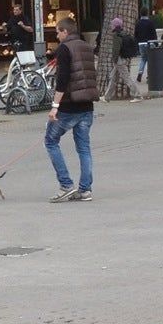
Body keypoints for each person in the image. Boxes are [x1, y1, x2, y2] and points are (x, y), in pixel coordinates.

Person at [45, 16, 97, 202]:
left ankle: (65, 184)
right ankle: (85, 189)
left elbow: (63, 79)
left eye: (58, 32)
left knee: (50, 141)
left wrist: (54, 107)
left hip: (69, 104)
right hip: (87, 104)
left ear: (65, 32)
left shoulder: (64, 49)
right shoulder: (86, 46)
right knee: (83, 147)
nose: (57, 36)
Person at [101, 18, 143, 102]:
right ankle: (106, 97)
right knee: (113, 78)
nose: (111, 26)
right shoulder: (123, 33)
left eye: (112, 24)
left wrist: (114, 59)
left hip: (119, 60)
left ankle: (137, 95)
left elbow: (116, 50)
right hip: (122, 59)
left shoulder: (116, 35)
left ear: (115, 26)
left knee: (127, 78)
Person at [134, 8, 158, 81]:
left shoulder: (138, 23)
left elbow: (136, 34)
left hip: (141, 43)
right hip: (149, 43)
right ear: (147, 13)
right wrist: (156, 43)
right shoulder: (150, 22)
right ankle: (149, 76)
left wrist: (137, 43)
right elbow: (153, 34)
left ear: (140, 14)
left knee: (143, 59)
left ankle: (140, 73)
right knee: (150, 60)